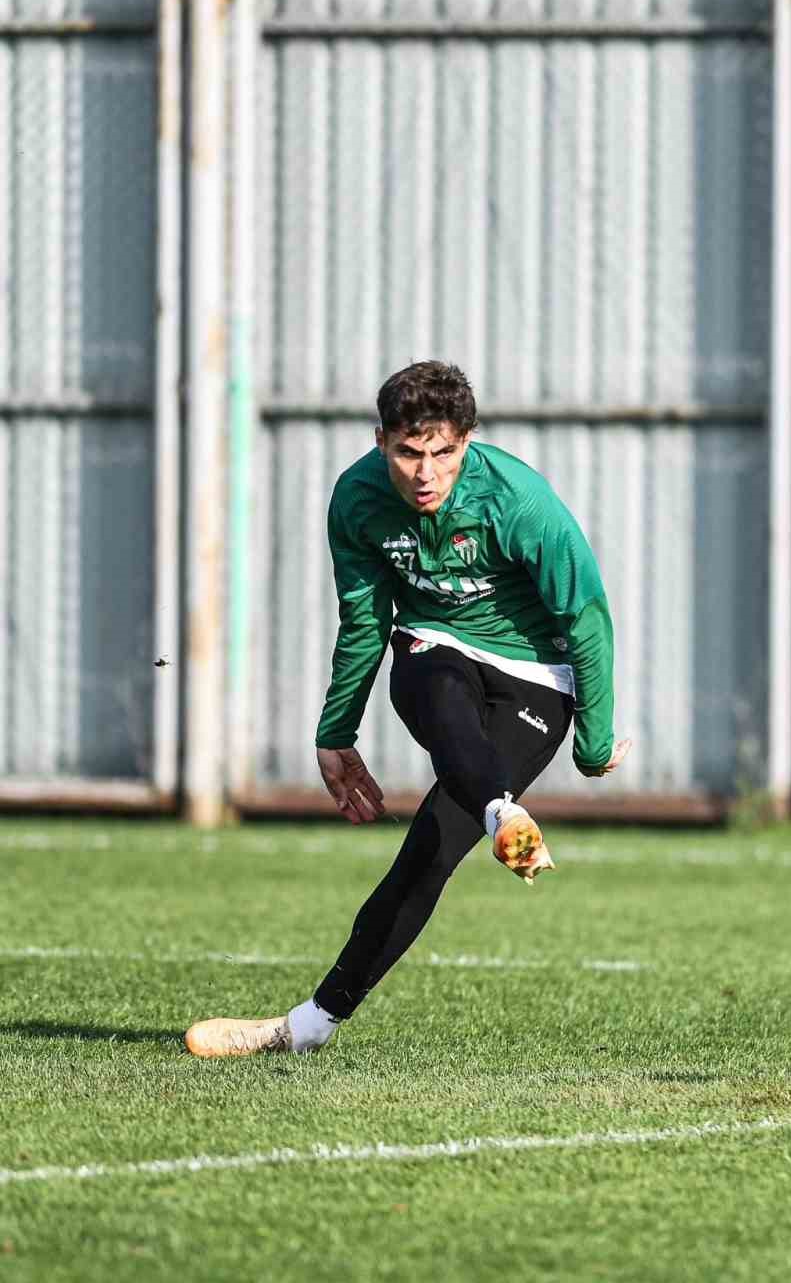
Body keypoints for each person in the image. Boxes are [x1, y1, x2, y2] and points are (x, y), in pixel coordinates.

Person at [184, 361, 629, 1057]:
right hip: (436, 643)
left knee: (430, 850)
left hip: (535, 675)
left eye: (444, 453)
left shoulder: (518, 500)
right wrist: (336, 731)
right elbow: (364, 621)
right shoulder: (358, 498)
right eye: (408, 453)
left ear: (467, 441)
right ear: (381, 441)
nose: (426, 473)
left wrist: (595, 741)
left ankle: (307, 1026)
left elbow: (586, 614)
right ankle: (500, 812)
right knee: (425, 669)